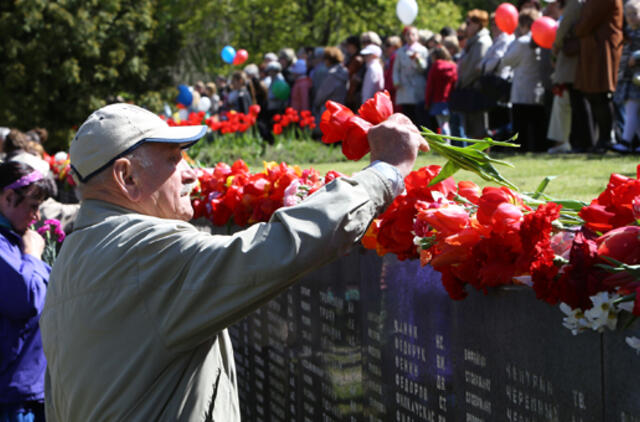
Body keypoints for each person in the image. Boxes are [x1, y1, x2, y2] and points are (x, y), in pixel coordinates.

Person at [39, 103, 427, 421]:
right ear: (127, 177)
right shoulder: (143, 251)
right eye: (174, 159)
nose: (192, 173)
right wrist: (385, 173)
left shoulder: (73, 256)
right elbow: (274, 249)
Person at [1, 161, 56, 422]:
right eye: (32, 206)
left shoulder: (15, 241)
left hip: (30, 386)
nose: (36, 216)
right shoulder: (6, 247)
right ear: (8, 198)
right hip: (12, 393)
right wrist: (33, 256)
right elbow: (26, 300)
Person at [574, 0, 624, 153]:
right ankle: (602, 139)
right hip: (595, 49)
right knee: (594, 95)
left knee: (601, 95)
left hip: (602, 50)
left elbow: (587, 22)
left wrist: (576, 28)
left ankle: (607, 139)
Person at [500, 8, 547, 152]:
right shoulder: (543, 38)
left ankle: (521, 150)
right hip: (539, 91)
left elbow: (506, 60)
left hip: (522, 90)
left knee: (521, 128)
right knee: (538, 127)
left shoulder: (521, 42)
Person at [457, 9, 493, 139]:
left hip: (477, 91)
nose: (466, 26)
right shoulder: (473, 42)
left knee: (480, 131)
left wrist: (464, 82)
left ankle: (483, 158)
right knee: (471, 131)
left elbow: (476, 69)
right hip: (469, 89)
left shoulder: (482, 42)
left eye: (468, 23)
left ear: (478, 24)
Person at [613, 0, 640, 153]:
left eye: (635, 13)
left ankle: (625, 142)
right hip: (628, 79)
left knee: (631, 110)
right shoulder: (626, 32)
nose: (631, 17)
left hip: (637, 79)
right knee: (633, 111)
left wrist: (636, 56)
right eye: (628, 14)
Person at [393, 26, 428, 125]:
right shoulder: (400, 52)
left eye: (413, 34)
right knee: (407, 114)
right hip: (404, 87)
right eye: (407, 34)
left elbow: (424, 69)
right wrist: (396, 81)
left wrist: (418, 60)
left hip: (417, 86)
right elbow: (396, 69)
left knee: (417, 116)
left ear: (417, 36)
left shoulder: (423, 50)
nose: (410, 37)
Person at [425, 46, 458, 136]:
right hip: (450, 99)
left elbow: (430, 86)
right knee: (447, 123)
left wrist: (427, 102)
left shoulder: (436, 66)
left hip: (438, 99)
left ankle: (445, 143)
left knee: (441, 124)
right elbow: (455, 84)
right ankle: (448, 141)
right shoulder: (453, 66)